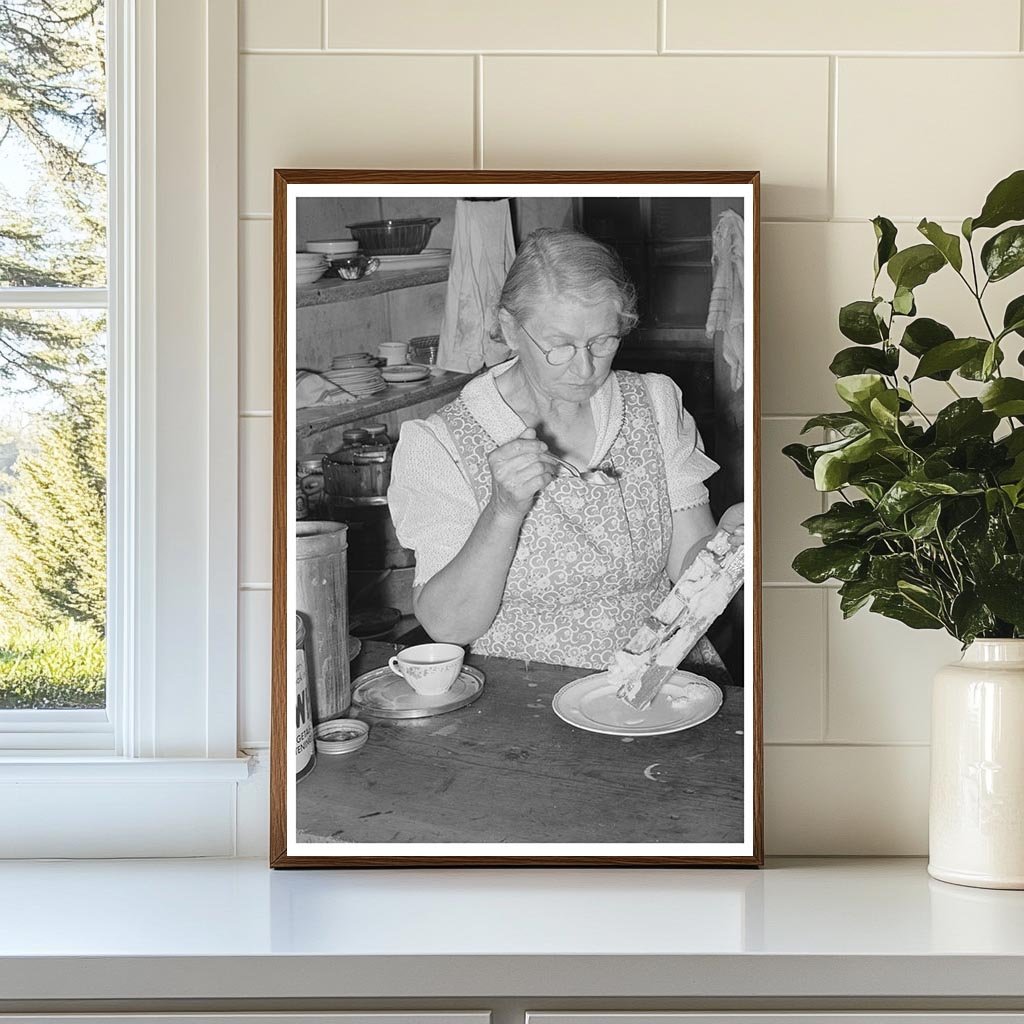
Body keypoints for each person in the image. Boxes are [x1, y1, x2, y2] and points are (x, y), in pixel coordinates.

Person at [387, 228, 743, 671]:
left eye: (603, 341)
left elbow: (688, 572)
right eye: (559, 346)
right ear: (510, 329)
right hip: (524, 692)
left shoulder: (654, 405)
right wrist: (502, 511)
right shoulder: (442, 444)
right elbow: (450, 626)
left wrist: (727, 545)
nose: (585, 367)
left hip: (657, 678)